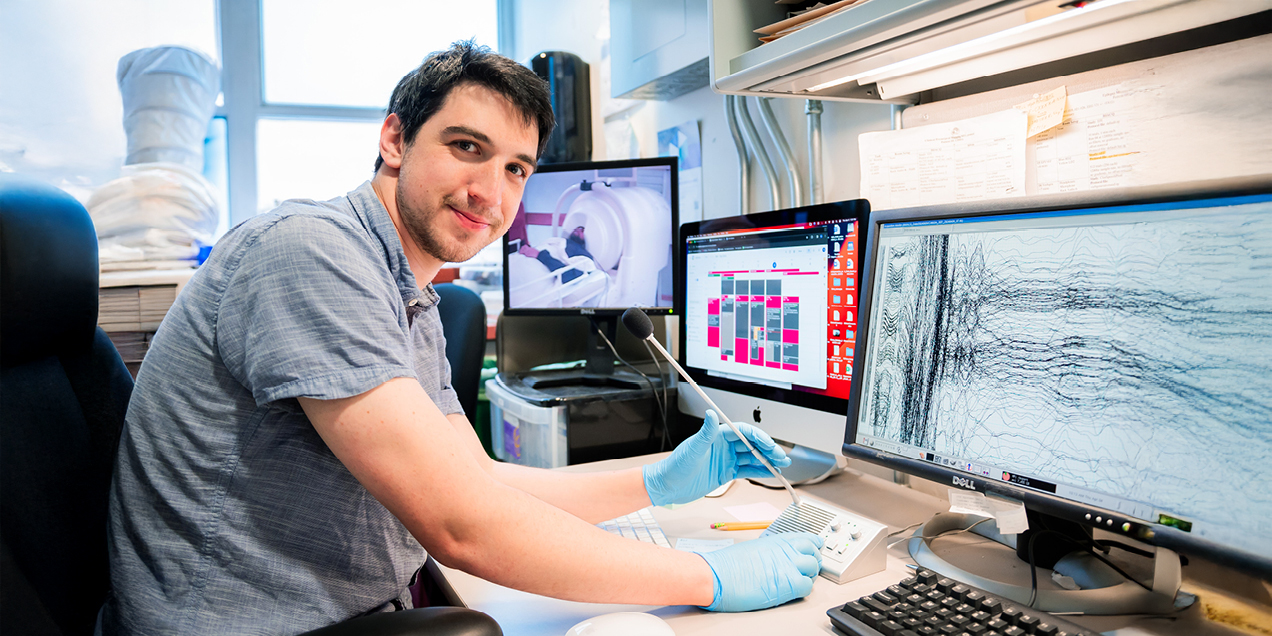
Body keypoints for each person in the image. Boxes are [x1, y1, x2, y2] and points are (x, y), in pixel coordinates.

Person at [98, 42, 822, 635]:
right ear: (395, 139)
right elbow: (463, 525)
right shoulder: (309, 252)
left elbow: (477, 482)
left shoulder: (410, 295)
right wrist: (706, 577)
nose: (491, 194)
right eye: (467, 147)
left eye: (516, 169)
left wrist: (655, 481)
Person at [518, 225, 594, 283]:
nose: (577, 229)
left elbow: (569, 276)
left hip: (535, 266)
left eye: (582, 230)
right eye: (577, 228)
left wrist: (539, 254)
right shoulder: (560, 241)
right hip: (523, 257)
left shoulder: (584, 255)